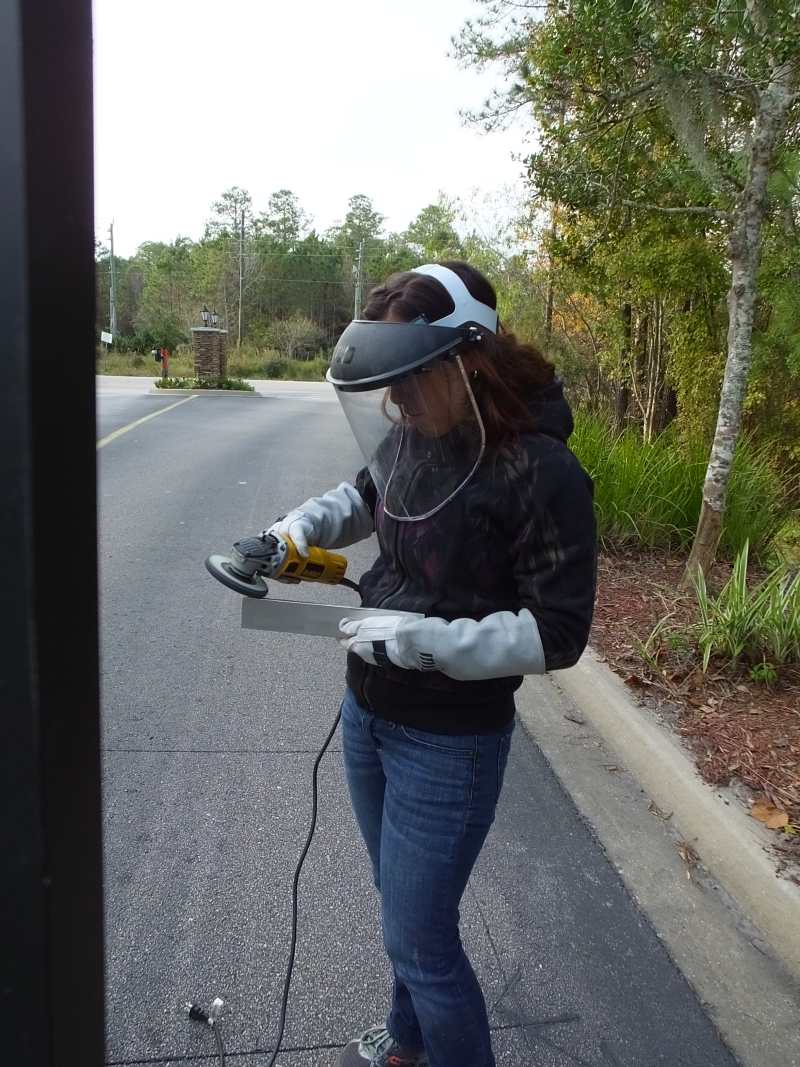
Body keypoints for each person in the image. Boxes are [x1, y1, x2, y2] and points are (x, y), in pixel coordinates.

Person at [269, 261, 597, 1067]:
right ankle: (408, 1037)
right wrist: (289, 534)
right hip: (368, 712)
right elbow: (362, 496)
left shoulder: (541, 471)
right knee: (401, 911)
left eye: (411, 382)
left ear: (468, 357)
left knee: (422, 941)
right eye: (388, 388)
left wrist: (428, 641)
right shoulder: (416, 433)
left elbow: (560, 632)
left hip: (448, 742)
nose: (398, 404)